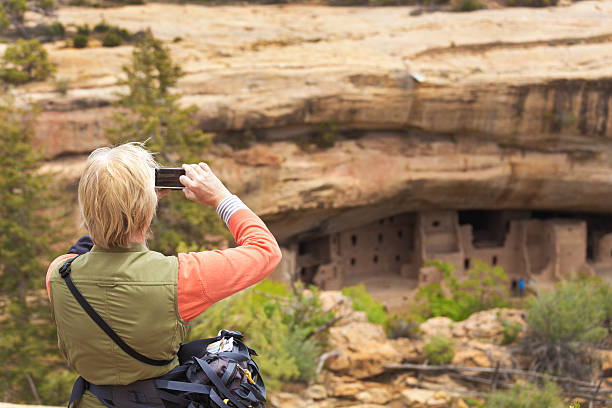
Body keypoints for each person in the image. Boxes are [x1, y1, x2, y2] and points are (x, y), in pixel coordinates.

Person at [45, 143, 282, 408]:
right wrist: (220, 197)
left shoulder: (58, 274)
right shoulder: (179, 278)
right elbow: (265, 250)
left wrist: (118, 208)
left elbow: (85, 250)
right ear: (147, 210)